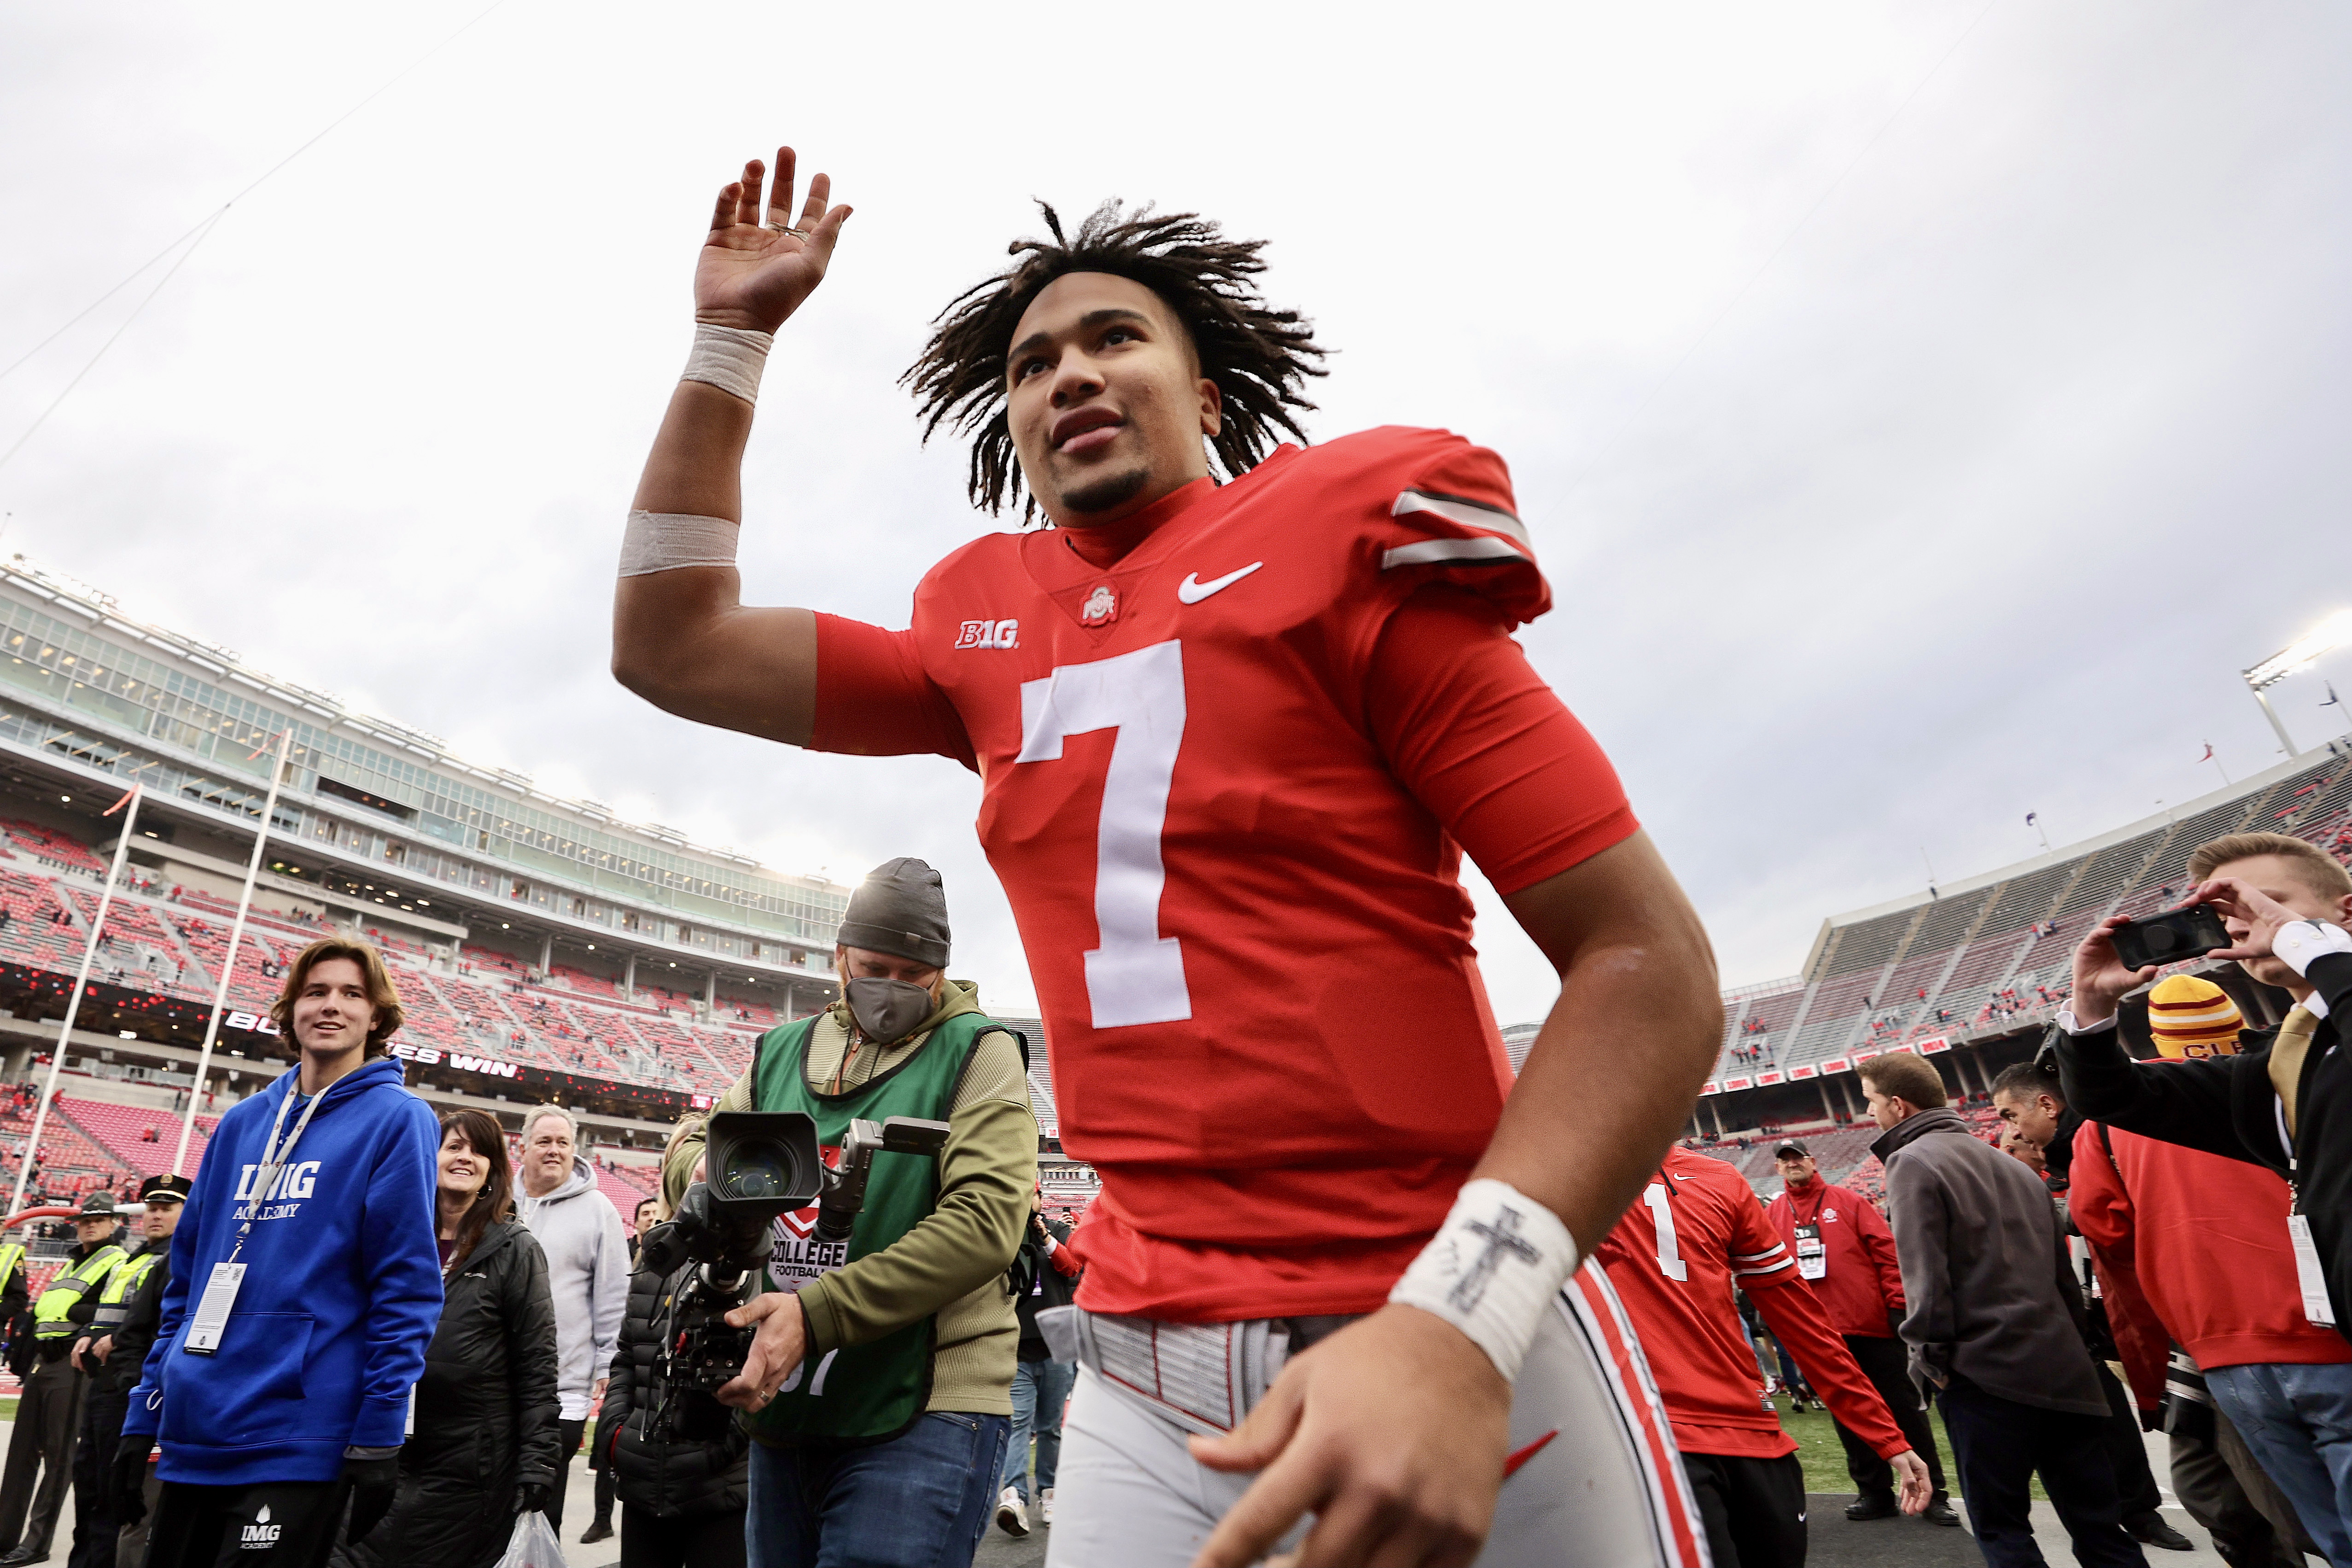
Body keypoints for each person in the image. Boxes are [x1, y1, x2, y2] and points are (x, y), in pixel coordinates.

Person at [611, 146, 1722, 1568]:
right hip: (1141, 1363)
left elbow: (1648, 961)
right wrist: (731, 339)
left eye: (1113, 337)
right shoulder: (981, 631)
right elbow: (669, 644)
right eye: (1030, 362)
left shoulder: (1342, 540)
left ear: (1202, 395)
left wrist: (1462, 1315)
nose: (1066, 372)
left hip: (1417, 1302)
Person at [661, 859, 1035, 1568]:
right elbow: (696, 1159)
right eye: (873, 967)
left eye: (912, 973)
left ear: (941, 971)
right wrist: (707, 1174)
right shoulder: (780, 1053)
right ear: (839, 957)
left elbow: (986, 1221)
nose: (890, 988)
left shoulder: (980, 1052)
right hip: (791, 1405)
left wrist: (815, 1314)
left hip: (928, 1405)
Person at [113, 937, 444, 1567]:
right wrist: (143, 1410)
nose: (331, 1006)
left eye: (352, 994)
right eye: (315, 991)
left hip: (299, 1435)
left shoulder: (399, 1119)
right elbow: (186, 1284)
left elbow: (406, 1289)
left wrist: (379, 1431)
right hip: (196, 1426)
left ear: (377, 1017)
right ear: (290, 1009)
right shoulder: (241, 1123)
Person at [2069, 973, 2352, 1564]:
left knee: (2324, 1531)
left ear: (2156, 1038)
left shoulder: (2110, 1123)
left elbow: (2104, 1230)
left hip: (2221, 1349)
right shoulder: (2299, 1074)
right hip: (2328, 1329)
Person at [1861, 1049, 2146, 1567]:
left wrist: (1929, 1363)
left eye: (1872, 1103)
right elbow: (2063, 1286)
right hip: (2062, 1370)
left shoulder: (1910, 1161)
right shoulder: (2014, 1167)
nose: (1870, 1115)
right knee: (2102, 1531)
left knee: (2002, 1531)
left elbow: (1924, 1278)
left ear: (1898, 1106)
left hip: (1985, 1375)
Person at [2057, 833, 2352, 1329]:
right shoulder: (2282, 1062)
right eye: (2227, 914)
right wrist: (2091, 1006)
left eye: (2265, 903)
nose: (2241, 925)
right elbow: (2110, 1097)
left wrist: (2311, 948)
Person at [1598, 1146, 1932, 1568]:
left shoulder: (1720, 1179)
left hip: (1756, 1438)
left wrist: (1886, 1435)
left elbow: (1804, 1322)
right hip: (1650, 1440)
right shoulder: (1547, 1177)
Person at [333, 1108, 560, 1568]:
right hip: (378, 1449)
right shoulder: (389, 1237)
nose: (465, 1158)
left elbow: (537, 1364)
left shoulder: (516, 1249)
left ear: (493, 1172)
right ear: (427, 1158)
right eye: (453, 1147)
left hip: (468, 1472)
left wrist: (537, 1462)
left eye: (479, 1152)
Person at [1990, 1061, 2191, 1553]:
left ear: (2046, 1106)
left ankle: (2140, 1511)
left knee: (2136, 1420)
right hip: (2063, 1324)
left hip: (2113, 1314)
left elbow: (2096, 1223)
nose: (2013, 1136)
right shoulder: (2016, 1189)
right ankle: (2112, 1516)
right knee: (2083, 1430)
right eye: (2009, 1142)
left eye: (2012, 1120)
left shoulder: (2081, 1156)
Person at [1764, 1140, 1957, 1526]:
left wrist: (1895, 1307)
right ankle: (1874, 1492)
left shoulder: (1848, 1201)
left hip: (1871, 1327)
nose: (1792, 1165)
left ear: (1812, 1161)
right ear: (1779, 1170)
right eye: (1784, 1162)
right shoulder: (1773, 1214)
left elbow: (1887, 1253)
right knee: (1847, 1414)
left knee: (1903, 1409)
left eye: (1797, 1158)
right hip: (1820, 1335)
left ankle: (1932, 1491)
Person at [595, 1130, 751, 1568]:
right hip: (644, 1483)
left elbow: (766, 1371)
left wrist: (721, 1446)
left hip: (719, 1492)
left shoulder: (752, 1268)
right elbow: (628, 1354)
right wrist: (616, 1433)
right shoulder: (654, 1262)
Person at [514, 1104, 628, 1538]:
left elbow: (613, 1296)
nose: (554, 1150)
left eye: (563, 1142)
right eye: (544, 1141)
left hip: (563, 1385)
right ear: (523, 1147)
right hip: (492, 1378)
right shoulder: (499, 1201)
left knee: (544, 1505)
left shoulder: (599, 1210)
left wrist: (606, 1366)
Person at [64, 1175, 186, 1568]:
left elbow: (162, 1324)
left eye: (167, 1209)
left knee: (111, 1495)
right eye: (151, 1207)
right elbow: (108, 1309)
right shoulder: (133, 1256)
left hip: (130, 1384)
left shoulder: (177, 1259)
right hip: (105, 1380)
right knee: (88, 1485)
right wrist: (88, 1332)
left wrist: (119, 1342)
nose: (155, 1215)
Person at [0, 1192, 128, 1565]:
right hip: (44, 1361)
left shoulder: (116, 1260)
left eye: (98, 1219)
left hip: (73, 1365)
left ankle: (37, 1542)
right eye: (84, 1219)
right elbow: (43, 1310)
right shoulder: (72, 1262)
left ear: (114, 1224)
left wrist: (79, 1311)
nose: (89, 1224)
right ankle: (5, 1534)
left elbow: (115, 1308)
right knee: (21, 1453)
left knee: (59, 1457)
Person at [585, 1192, 668, 1548]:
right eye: (644, 1213)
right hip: (635, 1393)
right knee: (612, 1451)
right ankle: (602, 1517)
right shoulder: (636, 1258)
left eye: (654, 1211)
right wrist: (615, 1427)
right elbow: (625, 1345)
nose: (650, 1217)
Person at [997, 1196, 1082, 1538]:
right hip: (1016, 1346)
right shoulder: (1003, 1232)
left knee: (1050, 1426)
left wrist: (1045, 1236)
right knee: (1018, 1422)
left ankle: (1049, 1492)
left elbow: (1071, 1267)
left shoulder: (1058, 1229)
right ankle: (1014, 1495)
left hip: (1055, 1347)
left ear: (1040, 1198)